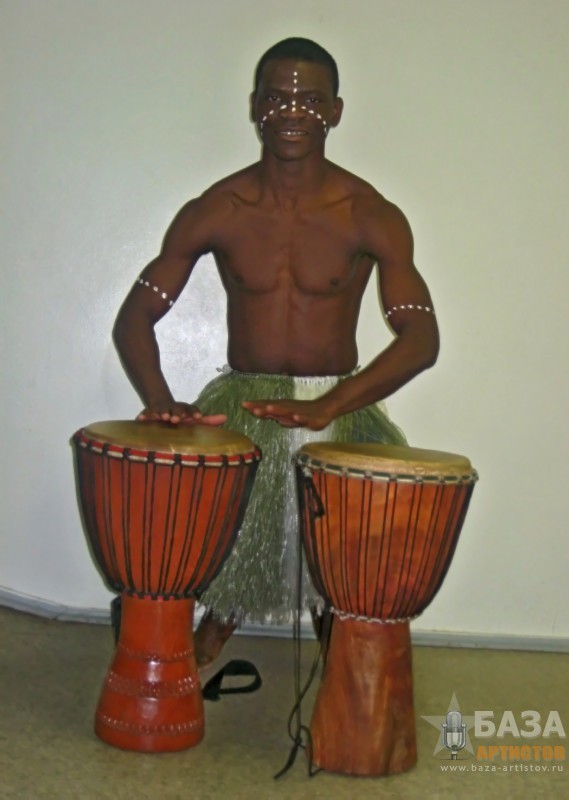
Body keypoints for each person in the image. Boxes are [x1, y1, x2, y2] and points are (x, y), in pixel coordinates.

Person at [113, 37, 439, 666]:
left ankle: (343, 665)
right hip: (247, 404)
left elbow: (421, 339)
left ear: (336, 111)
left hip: (340, 407)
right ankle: (207, 637)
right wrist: (160, 399)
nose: (292, 111)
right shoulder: (218, 208)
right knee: (236, 549)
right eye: (277, 97)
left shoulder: (370, 214)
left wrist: (331, 407)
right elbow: (135, 318)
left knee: (337, 566)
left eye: (311, 100)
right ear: (255, 106)